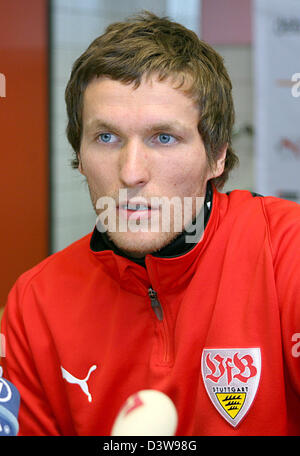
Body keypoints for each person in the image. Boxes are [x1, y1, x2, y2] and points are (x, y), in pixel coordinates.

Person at [1, 11, 300, 436]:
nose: (131, 172)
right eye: (107, 137)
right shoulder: (37, 302)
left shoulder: (286, 252)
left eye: (163, 138)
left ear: (216, 155)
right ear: (80, 157)